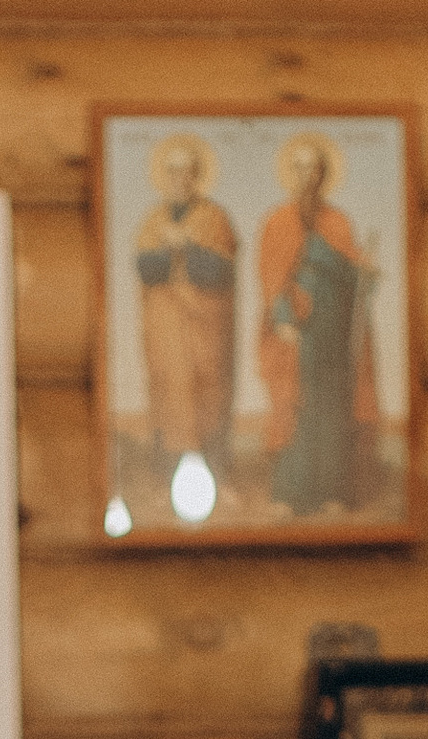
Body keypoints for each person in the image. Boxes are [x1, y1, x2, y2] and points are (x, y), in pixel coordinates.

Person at [256, 135, 378, 517]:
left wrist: (359, 270)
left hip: (334, 330)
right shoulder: (277, 222)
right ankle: (289, 495)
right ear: (290, 174)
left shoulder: (338, 222)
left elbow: (357, 282)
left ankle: (332, 494)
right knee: (295, 405)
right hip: (297, 330)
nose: (306, 175)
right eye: (299, 167)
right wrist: (283, 320)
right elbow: (271, 278)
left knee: (332, 407)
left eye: (314, 168)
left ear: (323, 175)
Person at [130, 136, 238, 493]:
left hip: (203, 329)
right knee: (169, 391)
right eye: (174, 172)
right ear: (165, 176)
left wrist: (186, 247)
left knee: (206, 392)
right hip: (165, 327)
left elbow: (220, 272)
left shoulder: (215, 218)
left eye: (188, 173)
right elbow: (146, 268)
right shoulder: (153, 220)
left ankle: (215, 475)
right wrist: (168, 249)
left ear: (197, 176)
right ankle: (166, 478)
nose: (181, 180)